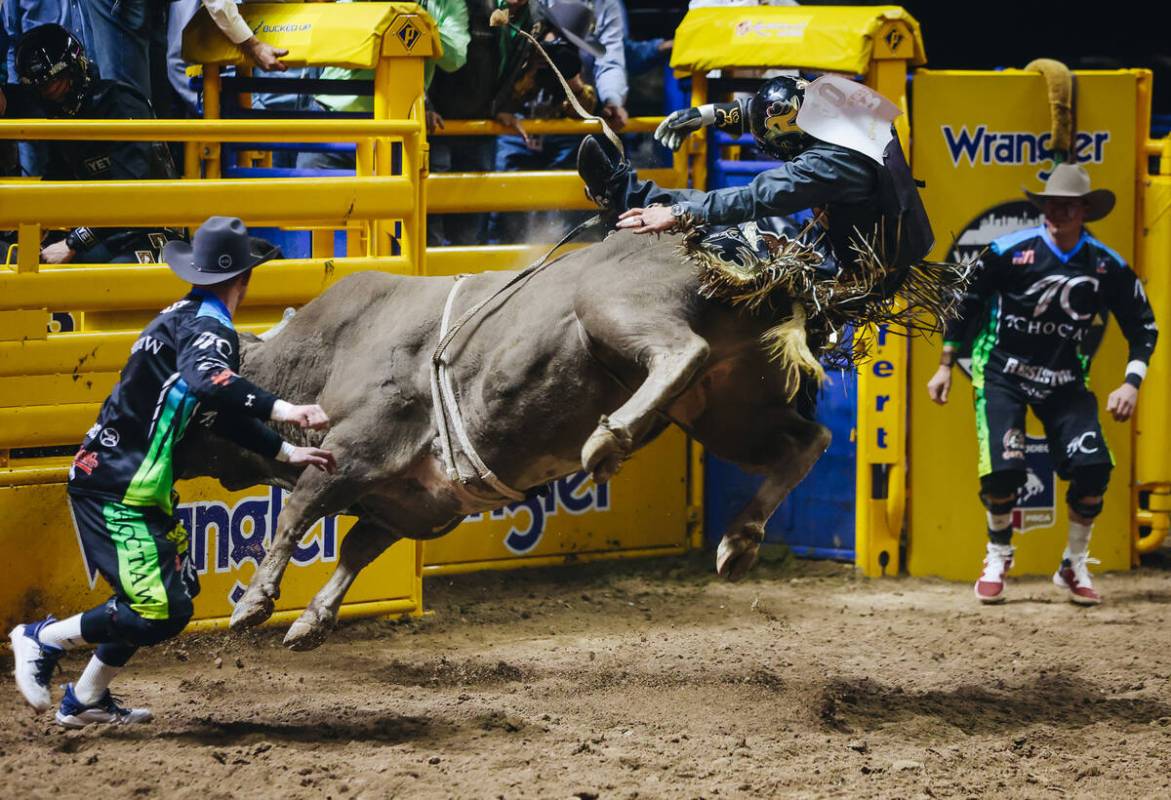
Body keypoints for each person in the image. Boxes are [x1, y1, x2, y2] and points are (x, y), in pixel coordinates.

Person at [8, 216, 337, 727]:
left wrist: (286, 453)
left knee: (172, 596)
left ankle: (87, 698)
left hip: (134, 481)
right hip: (117, 485)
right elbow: (210, 383)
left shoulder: (186, 317)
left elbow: (215, 408)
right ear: (244, 280)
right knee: (158, 608)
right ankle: (41, 639)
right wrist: (286, 410)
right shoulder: (207, 327)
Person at [925, 164, 1157, 605]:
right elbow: (965, 303)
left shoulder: (1106, 265)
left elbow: (1144, 327)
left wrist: (1131, 382)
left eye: (1068, 205)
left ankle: (1074, 563)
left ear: (1085, 210)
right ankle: (997, 555)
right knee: (1003, 473)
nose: (1058, 212)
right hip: (1002, 373)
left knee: (1093, 469)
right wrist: (945, 363)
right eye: (1051, 203)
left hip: (1065, 381)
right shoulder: (1009, 250)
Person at [576, 74, 933, 280]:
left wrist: (678, 213)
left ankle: (627, 195)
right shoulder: (836, 110)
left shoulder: (833, 164)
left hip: (856, 268)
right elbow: (778, 109)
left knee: (740, 235)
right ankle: (630, 195)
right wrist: (709, 114)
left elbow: (754, 197)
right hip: (858, 241)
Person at [6, 23, 182, 264]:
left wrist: (74, 243)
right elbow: (57, 177)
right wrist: (39, 220)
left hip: (149, 230)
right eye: (41, 88)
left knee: (104, 273)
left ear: (74, 70)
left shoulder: (120, 104)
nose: (50, 94)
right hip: (98, 232)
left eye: (54, 83)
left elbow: (131, 194)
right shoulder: (60, 118)